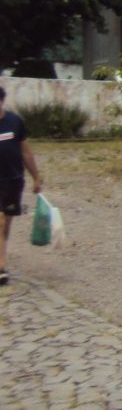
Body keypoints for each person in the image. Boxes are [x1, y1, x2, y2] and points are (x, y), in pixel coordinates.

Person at [0, 86, 42, 287]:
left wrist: (36, 177)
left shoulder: (14, 122)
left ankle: (2, 253)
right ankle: (1, 267)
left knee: (6, 223)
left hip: (13, 180)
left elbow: (26, 152)